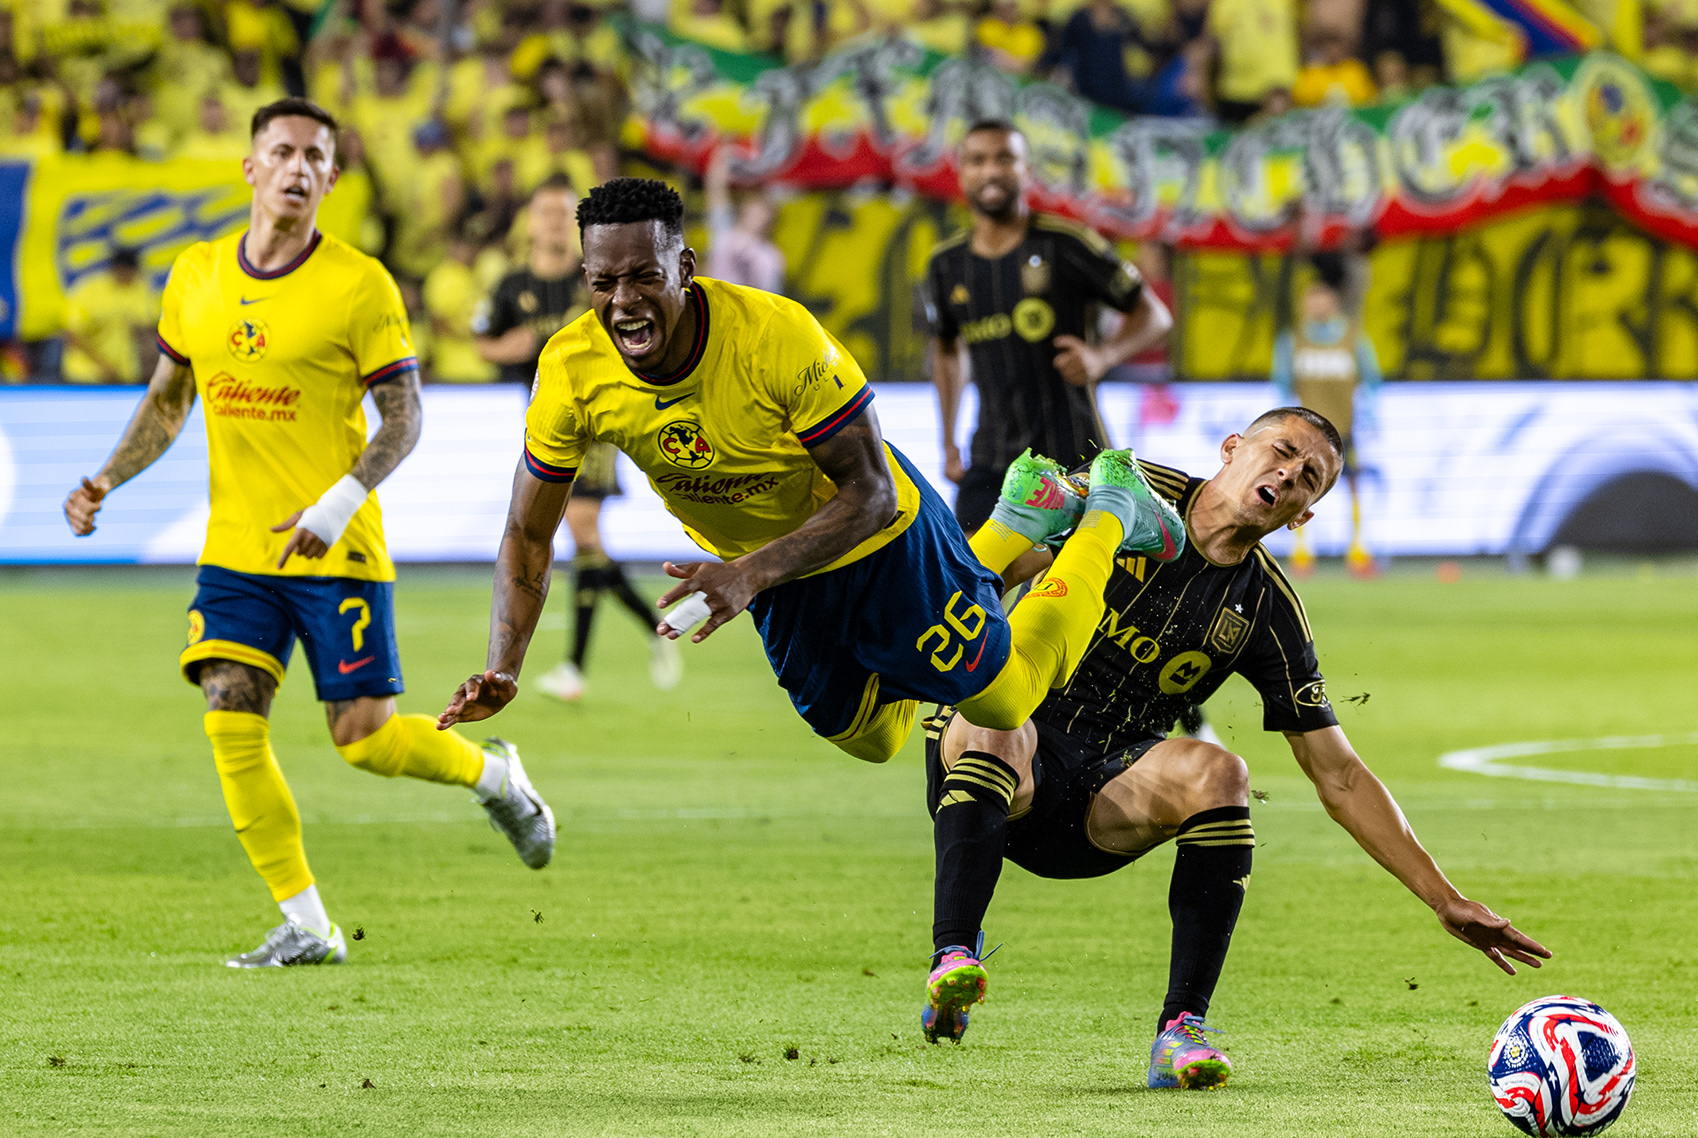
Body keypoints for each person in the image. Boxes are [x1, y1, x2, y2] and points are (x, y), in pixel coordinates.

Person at [437, 178, 1188, 768]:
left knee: (1004, 700)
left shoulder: (776, 337)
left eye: (643, 277)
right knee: (873, 738)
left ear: (685, 268)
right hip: (773, 573)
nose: (623, 302)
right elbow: (527, 536)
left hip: (880, 540)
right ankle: (1016, 524)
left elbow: (873, 493)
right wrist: (504, 665)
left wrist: (745, 576)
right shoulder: (570, 369)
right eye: (603, 283)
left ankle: (1111, 508)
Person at [918, 409, 1551, 1086]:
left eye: (1310, 477)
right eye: (1282, 450)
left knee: (1221, 770)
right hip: (991, 763)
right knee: (1000, 711)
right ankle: (954, 955)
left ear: (1304, 516)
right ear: (1230, 449)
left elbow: (1337, 775)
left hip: (1097, 804)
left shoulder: (1268, 610)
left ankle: (1179, 1031)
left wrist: (1442, 897)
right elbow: (1000, 558)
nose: (1289, 472)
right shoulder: (1129, 489)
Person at [63, 99, 555, 971]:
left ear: (331, 178)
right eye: (281, 151)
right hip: (237, 551)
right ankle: (308, 924)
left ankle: (494, 776)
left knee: (363, 738)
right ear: (250, 168)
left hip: (339, 546)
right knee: (228, 707)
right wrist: (105, 478)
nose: (297, 167)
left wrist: (333, 508)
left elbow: (403, 420)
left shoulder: (361, 284)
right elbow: (169, 401)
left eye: (315, 157)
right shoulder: (196, 277)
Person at [483, 176, 681, 701]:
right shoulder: (510, 284)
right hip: (546, 420)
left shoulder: (591, 279)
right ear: (528, 221)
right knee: (586, 543)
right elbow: (482, 342)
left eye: (559, 212)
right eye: (542, 210)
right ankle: (655, 629)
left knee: (582, 526)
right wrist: (511, 346)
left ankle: (575, 668)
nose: (550, 220)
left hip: (598, 417)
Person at [926, 121, 1172, 533]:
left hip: (1073, 455)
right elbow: (947, 349)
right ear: (962, 172)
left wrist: (1103, 355)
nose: (991, 171)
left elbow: (1155, 314)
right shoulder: (946, 265)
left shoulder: (1068, 244)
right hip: (990, 458)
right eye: (978, 160)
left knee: (1069, 588)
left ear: (1026, 169)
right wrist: (948, 440)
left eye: (1005, 158)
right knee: (968, 583)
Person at [1272, 263, 1382, 576]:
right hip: (1306, 430)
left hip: (1344, 428)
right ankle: (1302, 551)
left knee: (1353, 486)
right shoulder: (1291, 341)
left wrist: (1371, 414)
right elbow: (1282, 384)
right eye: (1310, 299)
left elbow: (1371, 380)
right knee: (1299, 488)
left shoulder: (1352, 338)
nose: (1315, 305)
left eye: (1320, 299)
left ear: (1331, 302)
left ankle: (1359, 550)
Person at [61, 246, 159, 384]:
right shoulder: (90, 290)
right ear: (115, 269)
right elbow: (72, 335)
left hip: (125, 376)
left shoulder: (140, 289)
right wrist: (103, 365)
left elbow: (148, 328)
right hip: (86, 375)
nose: (130, 277)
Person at [702, 146, 785, 294]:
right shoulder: (724, 231)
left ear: (769, 220)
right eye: (754, 208)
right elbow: (715, 188)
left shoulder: (769, 256)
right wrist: (722, 156)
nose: (756, 215)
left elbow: (771, 299)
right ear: (745, 207)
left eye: (762, 212)